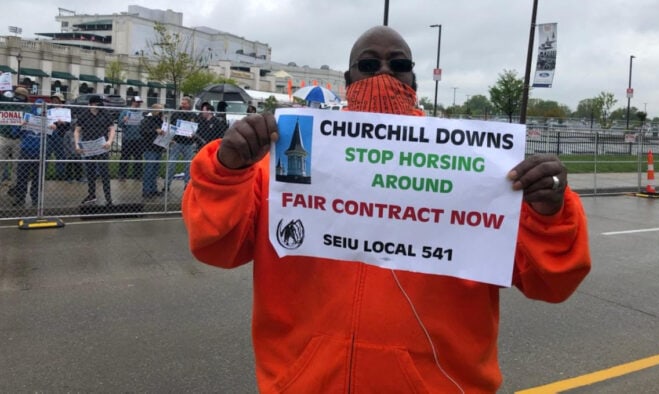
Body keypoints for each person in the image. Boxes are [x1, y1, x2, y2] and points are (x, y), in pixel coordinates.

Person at [182, 26, 591, 393]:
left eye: (398, 64)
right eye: (368, 63)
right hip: (302, 383)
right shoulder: (285, 163)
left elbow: (550, 283)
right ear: (348, 79)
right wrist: (228, 169)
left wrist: (549, 213)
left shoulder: (478, 169)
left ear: (413, 79)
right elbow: (216, 248)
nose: (383, 73)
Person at [74, 95, 116, 206]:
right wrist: (77, 144)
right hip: (89, 146)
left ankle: (108, 197)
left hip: (101, 146)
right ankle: (91, 194)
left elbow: (112, 128)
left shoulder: (105, 114)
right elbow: (77, 130)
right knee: (90, 172)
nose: (99, 105)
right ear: (92, 104)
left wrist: (109, 141)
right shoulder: (84, 115)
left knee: (104, 172)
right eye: (97, 103)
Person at [12, 98, 44, 207]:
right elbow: (14, 134)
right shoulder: (27, 116)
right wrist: (21, 125)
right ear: (34, 107)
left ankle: (35, 199)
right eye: (38, 107)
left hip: (40, 152)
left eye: (41, 107)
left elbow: (52, 135)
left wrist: (53, 128)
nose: (39, 109)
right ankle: (20, 198)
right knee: (22, 176)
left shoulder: (46, 119)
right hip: (25, 150)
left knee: (37, 178)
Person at [165, 95, 197, 191]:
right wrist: (171, 139)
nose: (183, 104)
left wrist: (192, 135)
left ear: (189, 104)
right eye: (182, 102)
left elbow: (195, 129)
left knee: (188, 165)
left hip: (189, 143)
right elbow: (171, 127)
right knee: (171, 164)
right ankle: (167, 184)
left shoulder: (193, 115)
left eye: (185, 102)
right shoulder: (176, 114)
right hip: (177, 142)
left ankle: (187, 184)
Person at [0, 87, 29, 188]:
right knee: (1, 162)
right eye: (17, 94)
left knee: (16, 165)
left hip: (18, 139)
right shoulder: (7, 102)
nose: (19, 97)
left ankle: (13, 186)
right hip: (4, 136)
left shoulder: (26, 107)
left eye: (21, 95)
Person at [140, 103, 165, 198]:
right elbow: (143, 131)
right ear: (154, 110)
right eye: (159, 110)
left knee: (155, 170)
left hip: (158, 147)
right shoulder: (147, 120)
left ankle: (153, 189)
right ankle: (146, 191)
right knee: (149, 170)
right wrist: (155, 131)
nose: (161, 112)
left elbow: (163, 131)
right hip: (149, 148)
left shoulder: (160, 121)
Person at [117, 96, 144, 180]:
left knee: (138, 157)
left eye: (140, 102)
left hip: (139, 138)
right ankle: (122, 175)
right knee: (125, 156)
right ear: (133, 102)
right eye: (137, 102)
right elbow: (119, 124)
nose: (139, 104)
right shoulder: (125, 111)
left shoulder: (141, 112)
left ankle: (137, 175)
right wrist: (124, 120)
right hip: (127, 138)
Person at [46, 92, 70, 180]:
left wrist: (63, 123)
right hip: (49, 134)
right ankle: (43, 174)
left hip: (60, 134)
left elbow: (69, 125)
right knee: (46, 154)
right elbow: (44, 120)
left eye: (57, 100)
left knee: (60, 155)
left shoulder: (66, 111)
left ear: (61, 101)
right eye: (53, 100)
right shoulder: (49, 109)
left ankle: (60, 175)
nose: (54, 102)